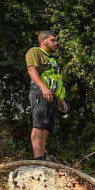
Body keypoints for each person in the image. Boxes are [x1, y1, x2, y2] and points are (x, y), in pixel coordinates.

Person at [26, 30, 69, 161]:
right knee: (38, 125)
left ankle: (42, 157)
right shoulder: (35, 51)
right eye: (53, 40)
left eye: (56, 41)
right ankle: (38, 158)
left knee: (46, 128)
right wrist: (43, 88)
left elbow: (56, 82)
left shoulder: (52, 59)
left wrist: (61, 101)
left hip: (52, 96)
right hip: (40, 93)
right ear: (43, 41)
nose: (56, 43)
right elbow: (31, 70)